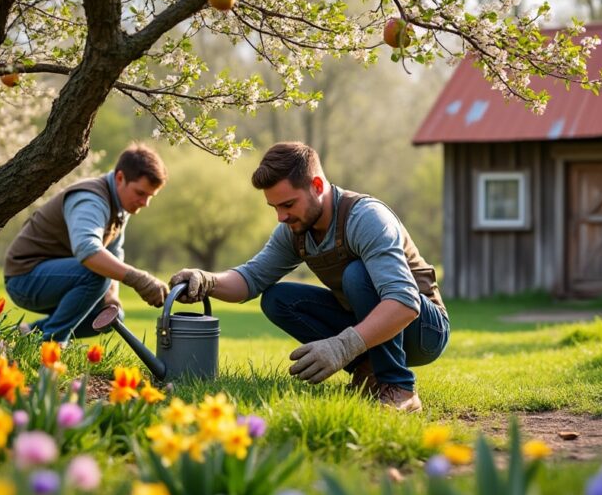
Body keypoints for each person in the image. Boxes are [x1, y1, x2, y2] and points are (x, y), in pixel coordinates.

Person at [170, 142, 448, 412]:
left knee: (356, 274)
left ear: (316, 186)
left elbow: (404, 302)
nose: (281, 216)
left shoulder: (366, 218)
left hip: (423, 330)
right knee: (278, 299)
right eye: (275, 207)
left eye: (288, 204)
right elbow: (250, 278)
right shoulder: (295, 230)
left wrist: (342, 347)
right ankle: (369, 370)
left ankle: (399, 388)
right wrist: (206, 281)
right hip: (374, 323)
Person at [4, 144, 169, 343]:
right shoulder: (90, 199)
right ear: (119, 178)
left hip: (57, 278)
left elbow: (114, 254)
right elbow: (87, 250)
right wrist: (139, 279)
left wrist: (112, 300)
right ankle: (52, 346)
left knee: (112, 317)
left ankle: (27, 334)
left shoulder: (119, 207)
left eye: (150, 196)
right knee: (96, 275)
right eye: (140, 193)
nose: (145, 203)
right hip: (25, 278)